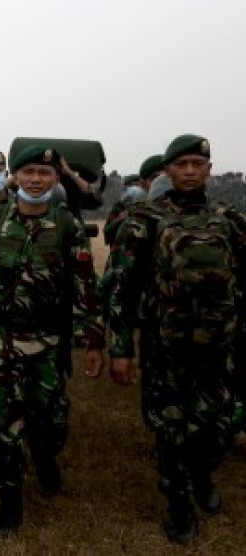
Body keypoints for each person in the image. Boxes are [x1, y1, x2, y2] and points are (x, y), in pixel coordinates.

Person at [0, 144, 105, 536]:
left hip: (48, 342)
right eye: (28, 172)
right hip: (0, 341)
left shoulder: (67, 226)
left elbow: (85, 287)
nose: (35, 180)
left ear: (55, 179)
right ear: (15, 176)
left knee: (49, 418)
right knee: (5, 422)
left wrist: (94, 341)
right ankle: (10, 498)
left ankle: (46, 457)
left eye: (44, 174)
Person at [101, 134, 246, 544]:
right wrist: (120, 350)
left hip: (220, 346)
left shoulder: (230, 219)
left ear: (209, 170)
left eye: (197, 164)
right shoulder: (143, 221)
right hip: (165, 347)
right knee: (171, 428)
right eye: (181, 164)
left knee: (217, 426)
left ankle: (202, 476)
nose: (189, 171)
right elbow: (123, 290)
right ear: (167, 170)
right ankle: (179, 504)